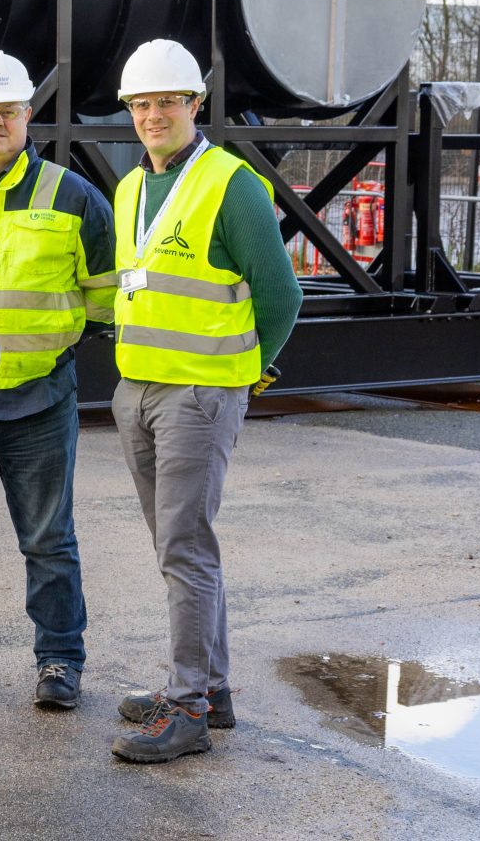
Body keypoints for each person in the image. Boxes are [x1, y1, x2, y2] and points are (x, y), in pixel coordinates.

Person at [105, 39, 302, 763]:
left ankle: (185, 707)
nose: (154, 115)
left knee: (185, 547)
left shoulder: (233, 185)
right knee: (177, 545)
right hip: (140, 390)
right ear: (130, 110)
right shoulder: (131, 189)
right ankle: (210, 688)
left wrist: (240, 377)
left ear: (195, 105)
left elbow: (281, 297)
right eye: (142, 103)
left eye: (168, 101)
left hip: (197, 394)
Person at [0, 50, 115, 707]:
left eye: (7, 110)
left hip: (40, 403)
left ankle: (60, 659)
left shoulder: (73, 197)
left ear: (27, 115)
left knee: (48, 540)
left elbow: (103, 301)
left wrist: (48, 351)